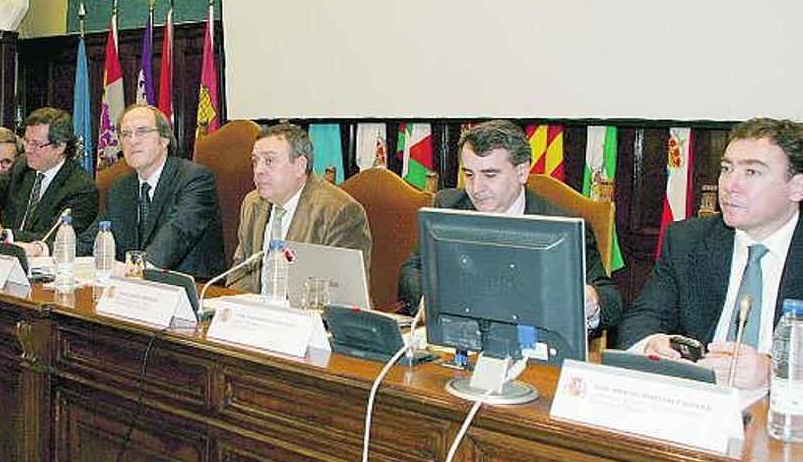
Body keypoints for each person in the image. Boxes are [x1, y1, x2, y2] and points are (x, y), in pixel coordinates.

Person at [618, 118, 803, 390]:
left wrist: (775, 370)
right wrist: (652, 343)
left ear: (797, 187)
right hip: (699, 403)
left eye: (752, 172)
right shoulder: (688, 241)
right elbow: (642, 319)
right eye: (726, 168)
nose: (729, 185)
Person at [398, 120, 622, 331]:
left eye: (490, 175)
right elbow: (412, 269)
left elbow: (611, 300)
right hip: (460, 338)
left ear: (522, 171)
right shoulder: (447, 207)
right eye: (468, 174)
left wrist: (591, 299)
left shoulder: (561, 225)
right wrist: (430, 299)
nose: (476, 188)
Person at [75, 104, 225, 279]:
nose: (133, 141)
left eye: (142, 131)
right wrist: (47, 251)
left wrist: (136, 269)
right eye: (126, 134)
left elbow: (178, 232)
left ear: (164, 139)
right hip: (134, 291)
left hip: (191, 290)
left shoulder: (194, 178)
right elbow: (94, 236)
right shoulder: (121, 189)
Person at [230, 123, 371, 292]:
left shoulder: (339, 212)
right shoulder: (252, 203)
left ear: (299, 166)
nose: (259, 170)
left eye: (269, 160)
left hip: (308, 315)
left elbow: (341, 293)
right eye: (255, 161)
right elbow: (239, 272)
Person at [0, 107, 98, 243]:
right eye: (26, 141)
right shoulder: (23, 166)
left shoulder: (81, 189)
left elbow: (53, 239)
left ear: (59, 147)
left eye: (36, 144)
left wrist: (3, 234)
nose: (28, 149)